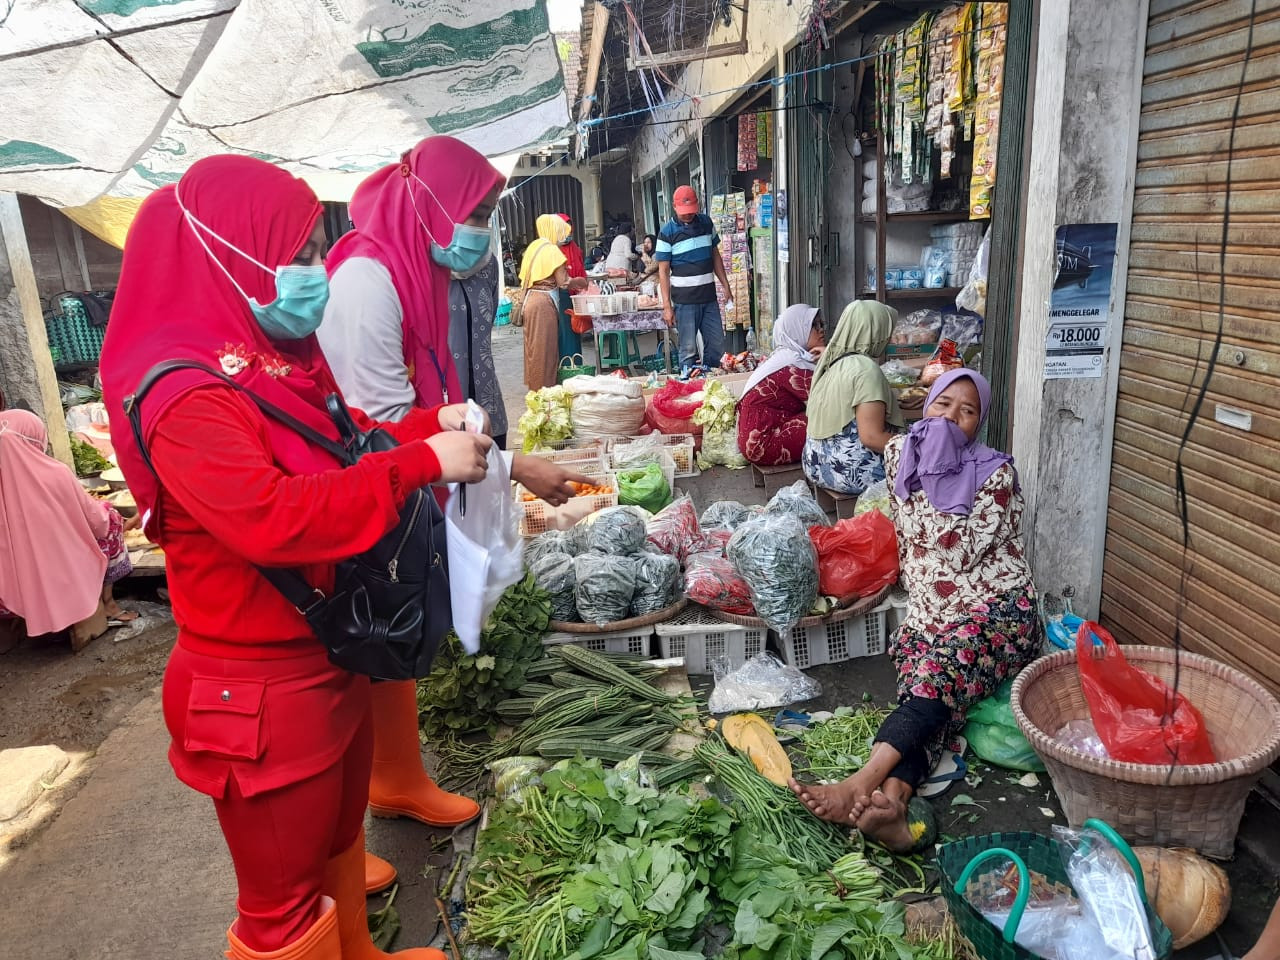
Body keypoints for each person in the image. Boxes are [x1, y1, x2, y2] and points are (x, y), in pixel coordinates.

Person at [99, 155, 489, 959]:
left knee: (338, 838)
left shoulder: (277, 367)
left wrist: (425, 429)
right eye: (302, 253)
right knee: (279, 904)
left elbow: (342, 448)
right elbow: (272, 518)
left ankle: (363, 953)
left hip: (321, 652)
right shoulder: (186, 392)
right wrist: (418, 464)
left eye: (318, 249)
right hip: (257, 689)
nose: (317, 271)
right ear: (228, 254)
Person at [317, 139, 587, 896]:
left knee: (392, 639)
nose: (480, 229)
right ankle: (330, 854)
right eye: (473, 212)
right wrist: (508, 463)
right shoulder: (367, 282)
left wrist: (456, 426)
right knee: (353, 650)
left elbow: (411, 411)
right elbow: (376, 430)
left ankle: (397, 778)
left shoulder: (413, 268)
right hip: (355, 491)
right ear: (427, 205)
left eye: (487, 214)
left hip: (392, 479)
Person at [790, 369, 1041, 852]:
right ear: (925, 407)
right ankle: (896, 804)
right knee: (928, 696)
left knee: (938, 673)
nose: (950, 418)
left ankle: (861, 783)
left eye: (967, 412)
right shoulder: (897, 453)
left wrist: (936, 473)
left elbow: (953, 553)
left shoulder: (996, 474)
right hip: (929, 613)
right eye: (943, 405)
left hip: (998, 610)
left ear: (978, 424)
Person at [0, 409, 136, 638]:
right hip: (62, 569)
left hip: (11, 588)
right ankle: (109, 603)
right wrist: (108, 511)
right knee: (110, 520)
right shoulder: (56, 474)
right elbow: (97, 521)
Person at [802, 300, 903, 496]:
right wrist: (918, 449)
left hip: (815, 464)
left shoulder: (830, 360)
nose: (889, 339)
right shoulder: (866, 370)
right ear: (875, 332)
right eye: (887, 331)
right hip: (848, 474)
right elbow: (872, 437)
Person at [736, 304, 824, 467]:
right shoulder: (792, 363)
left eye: (821, 324)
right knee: (832, 421)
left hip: (756, 440)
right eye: (814, 325)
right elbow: (829, 398)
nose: (821, 330)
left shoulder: (787, 356)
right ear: (797, 329)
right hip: (762, 444)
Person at [656, 185, 730, 370]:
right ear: (674, 207)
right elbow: (663, 271)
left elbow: (716, 256)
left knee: (717, 346)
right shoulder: (667, 233)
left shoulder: (706, 223)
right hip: (684, 302)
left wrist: (726, 286)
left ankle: (712, 381)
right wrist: (667, 306)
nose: (688, 215)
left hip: (709, 299)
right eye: (684, 212)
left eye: (691, 211)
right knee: (688, 349)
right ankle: (689, 385)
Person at [448, 253, 509, 450]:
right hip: (442, 406)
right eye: (474, 219)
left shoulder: (488, 263)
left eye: (486, 220)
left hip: (487, 397)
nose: (479, 229)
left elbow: (488, 319)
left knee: (495, 463)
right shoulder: (421, 266)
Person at [518, 217, 577, 391]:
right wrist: (579, 281)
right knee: (546, 352)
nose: (562, 238)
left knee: (534, 351)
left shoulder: (534, 247)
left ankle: (535, 391)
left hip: (530, 300)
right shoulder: (552, 251)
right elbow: (563, 282)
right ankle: (544, 394)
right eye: (561, 232)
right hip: (543, 304)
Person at [556, 213, 587, 279]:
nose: (568, 234)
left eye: (570, 231)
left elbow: (581, 267)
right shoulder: (552, 249)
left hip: (579, 285)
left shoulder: (574, 247)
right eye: (565, 231)